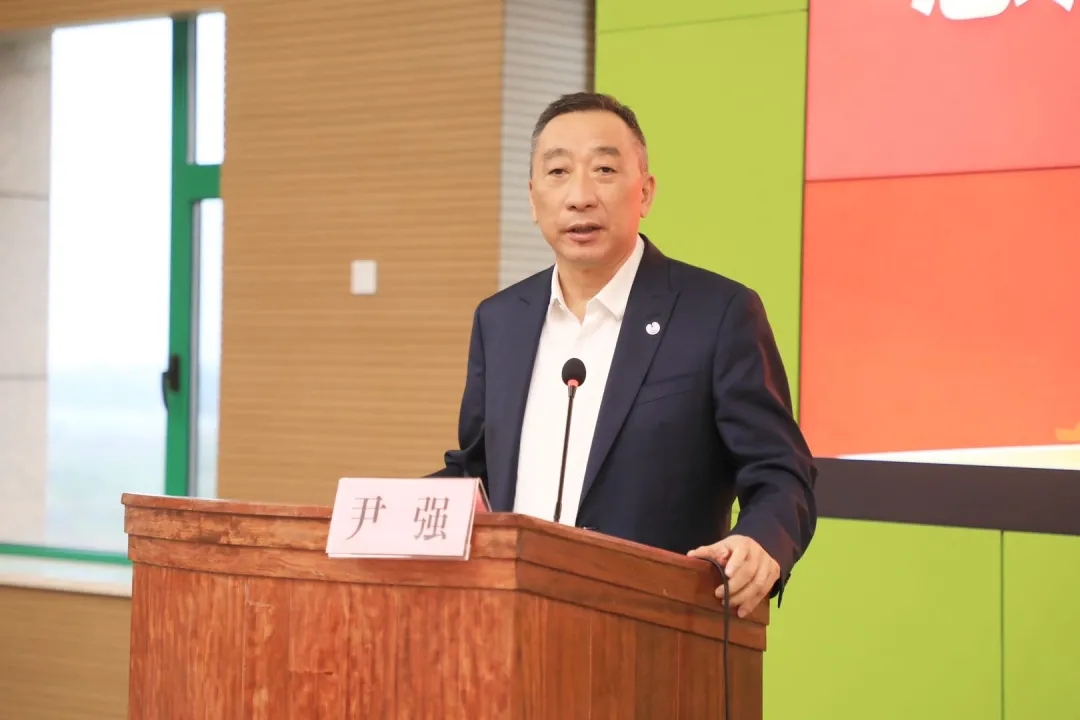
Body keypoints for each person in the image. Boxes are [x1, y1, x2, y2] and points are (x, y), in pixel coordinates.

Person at [434, 92, 817, 617]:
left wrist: (760, 542)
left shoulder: (717, 313)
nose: (580, 196)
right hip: (509, 624)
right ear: (532, 197)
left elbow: (780, 469)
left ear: (646, 192)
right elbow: (476, 471)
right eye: (558, 172)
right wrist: (379, 516)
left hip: (654, 625)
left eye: (605, 170)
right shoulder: (500, 319)